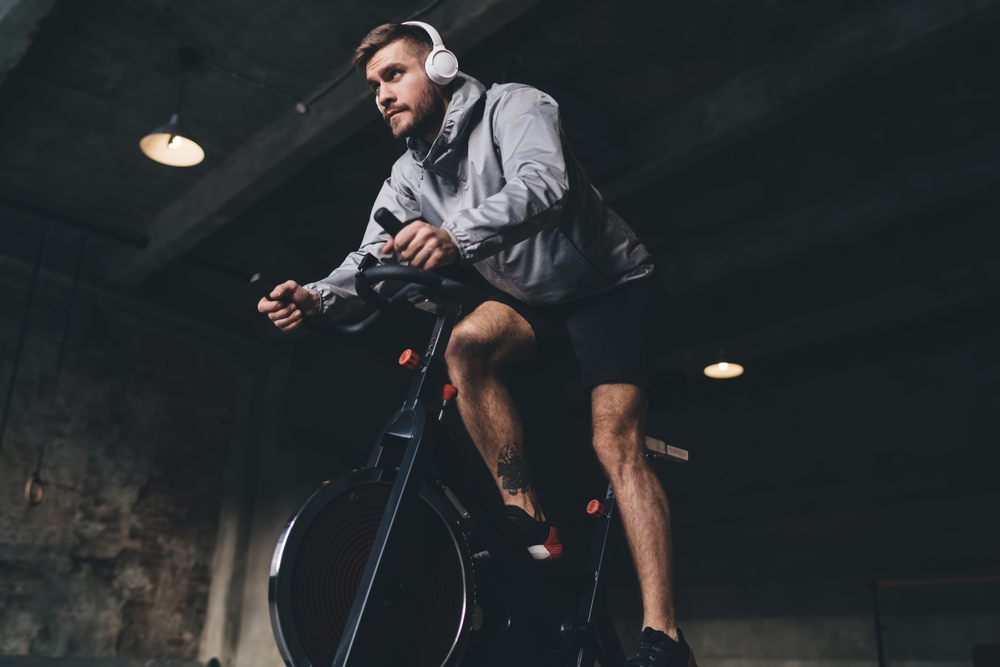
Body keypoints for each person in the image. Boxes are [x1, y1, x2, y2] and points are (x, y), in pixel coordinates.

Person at [257, 21, 697, 667]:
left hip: (609, 286)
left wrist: (454, 236)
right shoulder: (408, 172)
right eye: (373, 86)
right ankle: (525, 511)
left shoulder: (517, 104)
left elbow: (544, 185)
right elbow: (369, 254)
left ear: (439, 66)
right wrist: (316, 296)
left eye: (394, 74)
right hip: (530, 294)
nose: (381, 94)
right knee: (465, 344)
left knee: (614, 443)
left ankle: (664, 635)